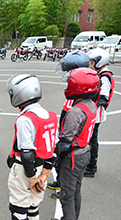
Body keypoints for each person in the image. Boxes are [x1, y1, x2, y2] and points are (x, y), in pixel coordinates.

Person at [0, 74, 58, 220]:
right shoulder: (50, 115)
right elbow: (55, 149)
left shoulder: (25, 119)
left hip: (26, 169)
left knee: (18, 207)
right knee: (34, 204)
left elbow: (26, 152)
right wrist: (44, 175)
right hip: (42, 167)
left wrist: (31, 177)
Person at [45, 68, 99, 220]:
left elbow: (66, 140)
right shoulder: (91, 105)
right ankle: (71, 219)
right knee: (76, 189)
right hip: (84, 152)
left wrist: (54, 158)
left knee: (68, 192)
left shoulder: (76, 111)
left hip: (74, 156)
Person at [48, 50, 92, 199]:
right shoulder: (76, 89)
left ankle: (63, 187)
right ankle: (60, 181)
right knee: (61, 161)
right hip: (68, 119)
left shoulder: (83, 88)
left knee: (64, 156)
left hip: (74, 141)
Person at [84, 48, 115, 178]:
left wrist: (91, 108)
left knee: (92, 140)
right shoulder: (100, 74)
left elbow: (103, 98)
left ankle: (91, 166)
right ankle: (89, 164)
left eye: (92, 63)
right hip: (94, 112)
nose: (90, 66)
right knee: (89, 139)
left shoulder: (105, 77)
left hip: (96, 114)